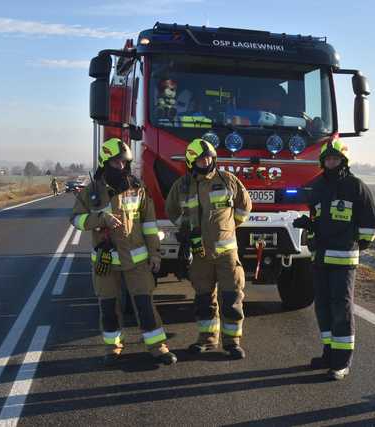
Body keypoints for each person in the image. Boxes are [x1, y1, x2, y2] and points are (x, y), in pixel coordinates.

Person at [70, 137, 176, 366]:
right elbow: (76, 219)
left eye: (124, 163)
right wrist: (100, 218)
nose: (121, 167)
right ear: (105, 163)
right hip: (106, 262)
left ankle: (158, 347)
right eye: (116, 163)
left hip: (137, 261)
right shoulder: (91, 192)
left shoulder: (138, 190)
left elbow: (149, 225)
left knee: (145, 306)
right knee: (108, 307)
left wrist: (155, 254)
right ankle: (113, 348)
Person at [293, 139, 375, 380]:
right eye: (328, 159)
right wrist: (309, 225)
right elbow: (318, 219)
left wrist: (355, 244)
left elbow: (372, 223)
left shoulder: (356, 186)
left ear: (344, 160)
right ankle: (329, 353)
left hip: (343, 260)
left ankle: (341, 363)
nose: (332, 162)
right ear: (323, 161)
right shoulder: (318, 186)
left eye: (336, 158)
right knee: (322, 307)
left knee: (340, 309)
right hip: (320, 259)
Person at [165, 138, 252, 359]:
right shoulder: (182, 186)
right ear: (192, 162)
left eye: (209, 158)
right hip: (199, 254)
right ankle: (207, 339)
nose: (206, 161)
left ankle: (232, 343)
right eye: (202, 159)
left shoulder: (228, 180)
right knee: (204, 299)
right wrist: (183, 227)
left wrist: (230, 226)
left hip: (226, 254)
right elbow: (171, 210)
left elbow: (245, 205)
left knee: (232, 298)